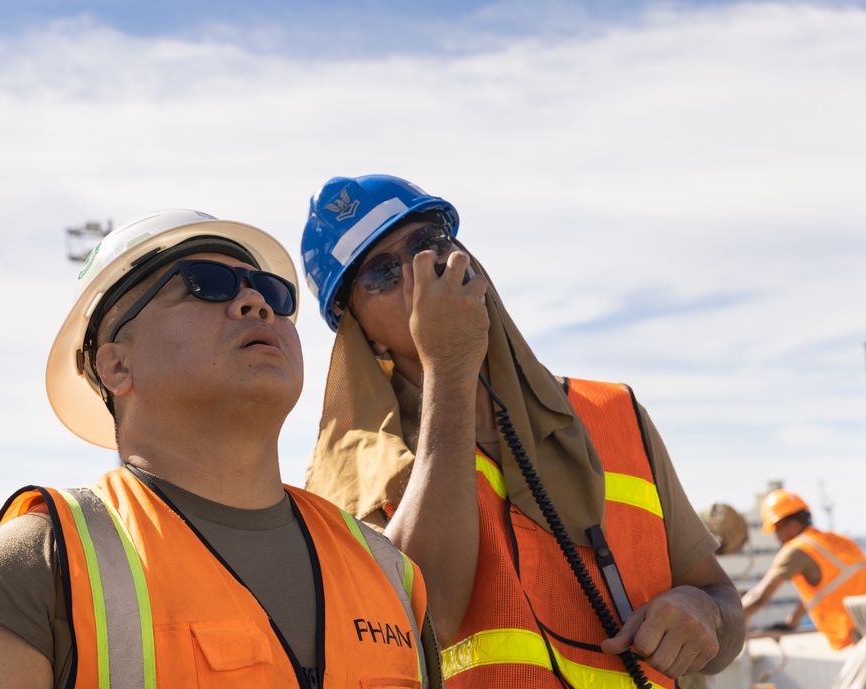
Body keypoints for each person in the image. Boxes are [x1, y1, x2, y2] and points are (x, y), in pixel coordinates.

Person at [0, 209, 441, 689]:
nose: (255, 303)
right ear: (115, 366)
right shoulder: (37, 568)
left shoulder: (388, 571)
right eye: (205, 284)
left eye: (272, 293)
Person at [299, 175, 745, 688]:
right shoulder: (355, 474)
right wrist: (450, 369)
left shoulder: (613, 413)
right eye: (382, 273)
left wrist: (704, 611)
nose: (422, 272)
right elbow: (425, 621)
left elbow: (723, 608)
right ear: (360, 329)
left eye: (429, 243)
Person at [742, 488, 866, 649]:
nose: (777, 537)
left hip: (857, 636)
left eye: (778, 530)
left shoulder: (797, 549)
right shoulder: (837, 540)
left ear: (793, 525)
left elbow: (758, 597)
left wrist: (726, 621)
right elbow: (821, 592)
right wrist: (791, 623)